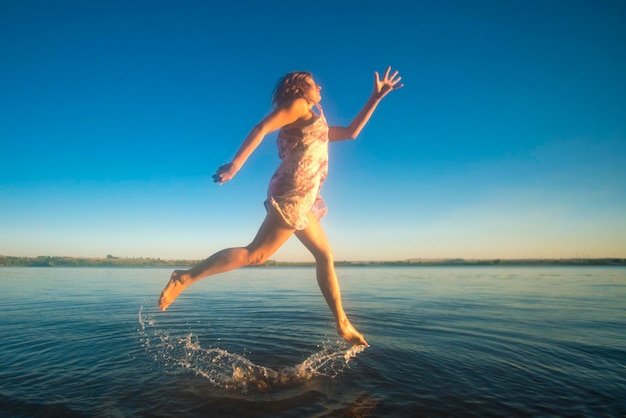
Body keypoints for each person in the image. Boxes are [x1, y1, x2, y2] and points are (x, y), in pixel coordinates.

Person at [158, 66, 403, 346]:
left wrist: (376, 97)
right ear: (300, 89)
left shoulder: (316, 120)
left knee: (325, 255)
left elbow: (350, 132)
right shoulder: (298, 106)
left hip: (305, 196)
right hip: (293, 190)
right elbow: (261, 127)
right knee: (257, 254)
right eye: (314, 84)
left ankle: (342, 322)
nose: (320, 88)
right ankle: (184, 277)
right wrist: (236, 164)